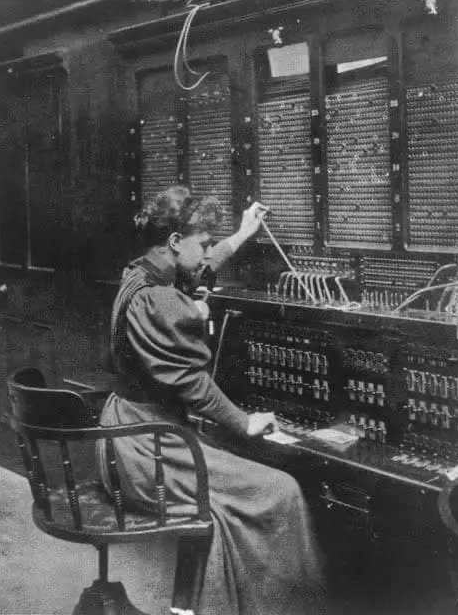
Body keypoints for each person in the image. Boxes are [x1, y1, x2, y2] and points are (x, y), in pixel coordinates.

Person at [96, 185, 325, 615]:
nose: (206, 252)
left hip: (125, 430)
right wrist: (244, 421)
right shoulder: (158, 299)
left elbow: (198, 270)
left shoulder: (143, 272)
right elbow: (190, 383)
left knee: (245, 479)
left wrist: (241, 235)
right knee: (281, 489)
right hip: (146, 447)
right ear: (175, 241)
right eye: (202, 242)